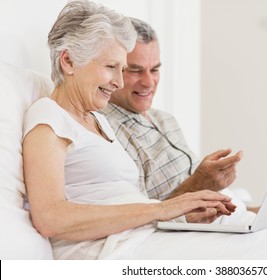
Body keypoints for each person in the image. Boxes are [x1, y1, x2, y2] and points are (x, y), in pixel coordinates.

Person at [22, 0, 236, 260]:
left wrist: (180, 214)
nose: (119, 82)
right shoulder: (49, 116)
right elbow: (50, 218)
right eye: (111, 67)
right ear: (68, 61)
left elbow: (122, 202)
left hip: (141, 239)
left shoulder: (98, 120)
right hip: (110, 252)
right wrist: (163, 210)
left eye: (122, 69)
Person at [100, 18, 257, 220]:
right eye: (135, 70)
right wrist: (198, 184)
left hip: (231, 214)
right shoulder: (105, 130)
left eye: (155, 69)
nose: (149, 82)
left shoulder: (165, 120)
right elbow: (140, 219)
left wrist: (248, 209)